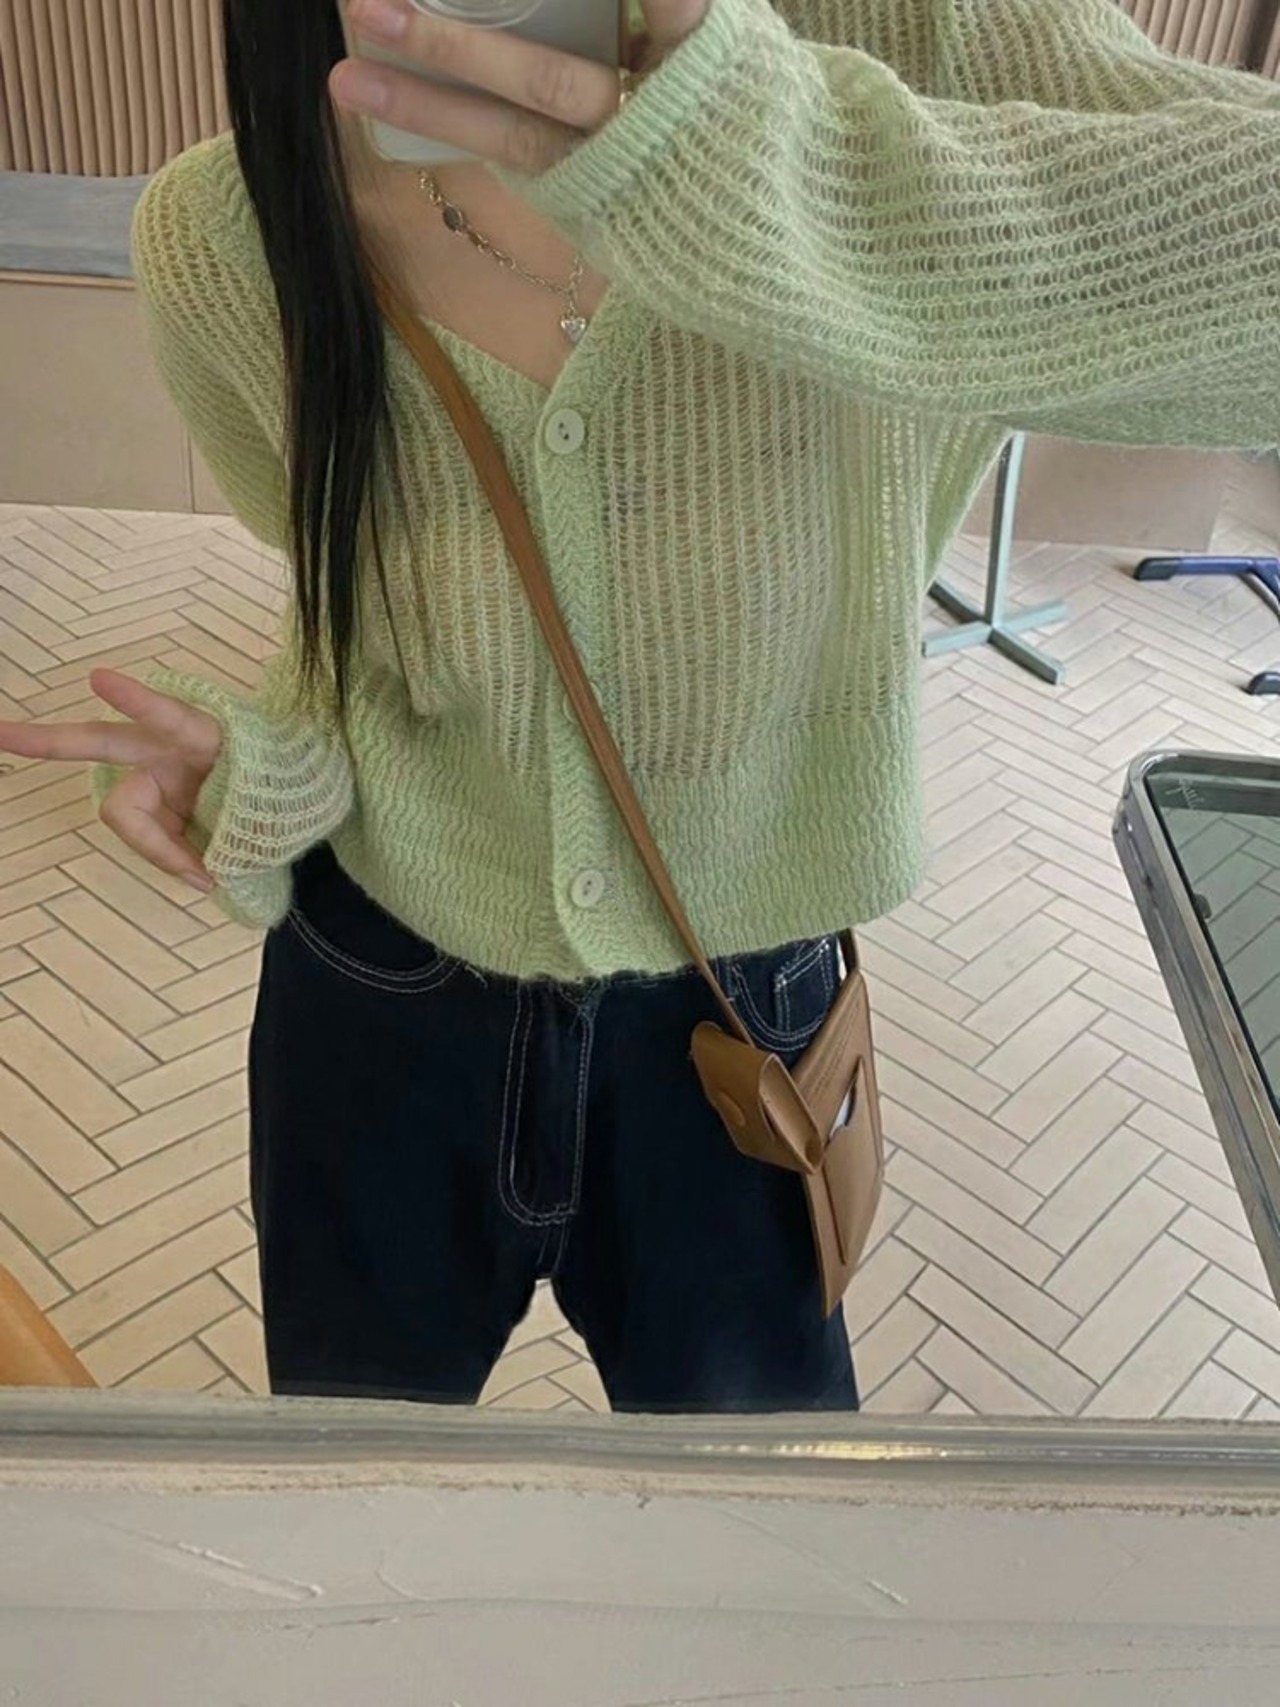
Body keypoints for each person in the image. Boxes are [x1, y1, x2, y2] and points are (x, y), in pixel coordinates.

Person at [2, 0, 1278, 1412]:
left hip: (737, 1005)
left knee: (768, 1518)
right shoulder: (228, 228)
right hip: (376, 997)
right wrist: (272, 762)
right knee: (361, 1497)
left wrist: (789, 184)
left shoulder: (916, 35)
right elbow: (356, 631)